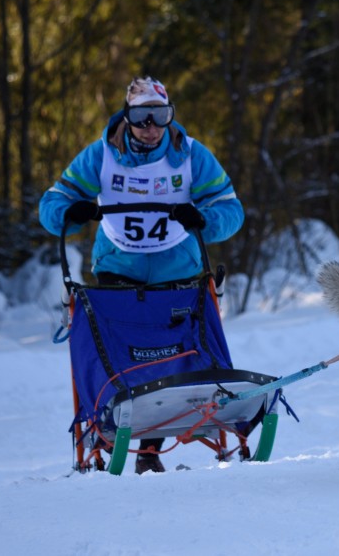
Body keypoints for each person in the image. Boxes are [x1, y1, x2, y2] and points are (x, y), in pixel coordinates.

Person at [39, 76, 244, 474]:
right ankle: (110, 429)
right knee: (126, 353)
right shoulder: (101, 155)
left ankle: (150, 450)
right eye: (141, 117)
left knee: (171, 354)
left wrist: (204, 219)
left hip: (178, 268)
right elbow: (53, 201)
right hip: (119, 264)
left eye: (159, 116)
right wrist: (70, 212)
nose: (151, 127)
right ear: (126, 118)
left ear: (170, 117)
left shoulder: (191, 155)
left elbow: (230, 209)